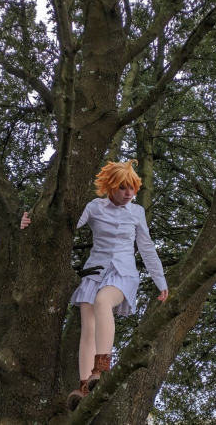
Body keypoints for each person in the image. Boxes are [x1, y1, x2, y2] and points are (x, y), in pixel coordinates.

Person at [20, 160, 168, 411]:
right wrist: (31, 221)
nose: (129, 193)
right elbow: (64, 225)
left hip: (123, 273)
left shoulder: (136, 212)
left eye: (133, 188)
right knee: (88, 327)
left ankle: (102, 368)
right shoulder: (94, 207)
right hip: (95, 272)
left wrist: (160, 280)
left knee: (103, 301)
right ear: (110, 186)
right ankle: (84, 388)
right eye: (123, 188)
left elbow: (146, 248)